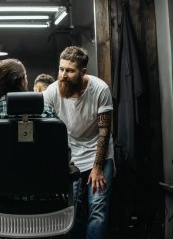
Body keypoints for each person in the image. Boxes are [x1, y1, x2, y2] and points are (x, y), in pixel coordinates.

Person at [43, 46, 114, 239]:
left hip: (98, 154)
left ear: (83, 72)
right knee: (72, 211)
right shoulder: (51, 92)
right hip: (69, 157)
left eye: (70, 70)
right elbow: (46, 130)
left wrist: (97, 167)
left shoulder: (100, 89)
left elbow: (104, 132)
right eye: (61, 69)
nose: (63, 75)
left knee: (97, 210)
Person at [0, 58, 57, 172]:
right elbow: (64, 154)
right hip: (43, 186)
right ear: (23, 82)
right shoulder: (48, 113)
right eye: (26, 78)